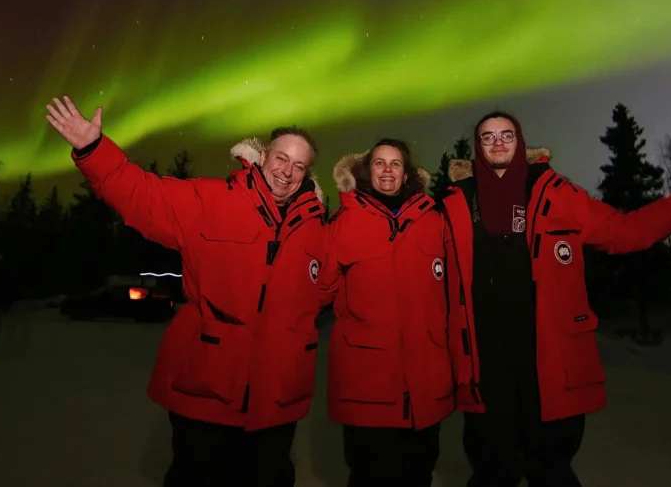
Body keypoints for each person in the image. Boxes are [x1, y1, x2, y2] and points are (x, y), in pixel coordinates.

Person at [440, 110, 671, 487]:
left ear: (520, 142)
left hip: (550, 361)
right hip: (485, 364)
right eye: (487, 137)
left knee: (551, 471)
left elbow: (626, 231)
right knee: (492, 471)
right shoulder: (455, 205)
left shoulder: (557, 193)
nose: (497, 142)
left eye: (506, 135)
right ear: (478, 148)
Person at [45, 95, 328, 487]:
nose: (287, 171)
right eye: (281, 158)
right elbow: (142, 197)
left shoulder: (317, 228)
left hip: (275, 401)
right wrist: (93, 150)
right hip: (208, 390)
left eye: (299, 165)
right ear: (262, 158)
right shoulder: (210, 200)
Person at [321, 139, 452, 487]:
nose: (388, 170)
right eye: (380, 163)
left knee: (418, 472)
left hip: (423, 379)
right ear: (367, 171)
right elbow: (316, 288)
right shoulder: (345, 222)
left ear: (407, 173)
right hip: (367, 382)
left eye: (396, 164)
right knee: (368, 474)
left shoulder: (433, 221)